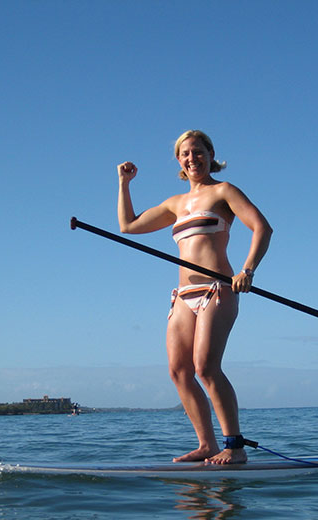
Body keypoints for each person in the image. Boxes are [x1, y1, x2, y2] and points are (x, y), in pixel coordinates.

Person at [117, 130, 272, 465]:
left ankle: (235, 446)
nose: (192, 159)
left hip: (218, 290)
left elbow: (262, 228)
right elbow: (128, 226)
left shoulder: (223, 192)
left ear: (210, 153)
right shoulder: (175, 204)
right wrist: (125, 184)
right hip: (183, 296)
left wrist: (247, 270)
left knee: (206, 367)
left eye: (198, 152)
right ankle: (207, 445)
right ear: (179, 161)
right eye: (185, 154)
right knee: (179, 371)